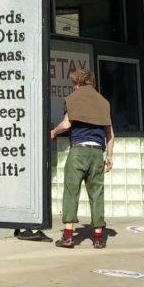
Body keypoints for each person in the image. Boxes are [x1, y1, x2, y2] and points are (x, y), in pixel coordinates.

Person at [49, 69, 115, 249]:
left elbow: (67, 124)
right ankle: (99, 237)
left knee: (71, 191)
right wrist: (109, 156)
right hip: (97, 152)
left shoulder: (73, 98)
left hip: (79, 151)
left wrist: (53, 132)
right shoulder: (103, 102)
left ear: (77, 83)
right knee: (97, 193)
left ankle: (68, 236)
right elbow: (110, 134)